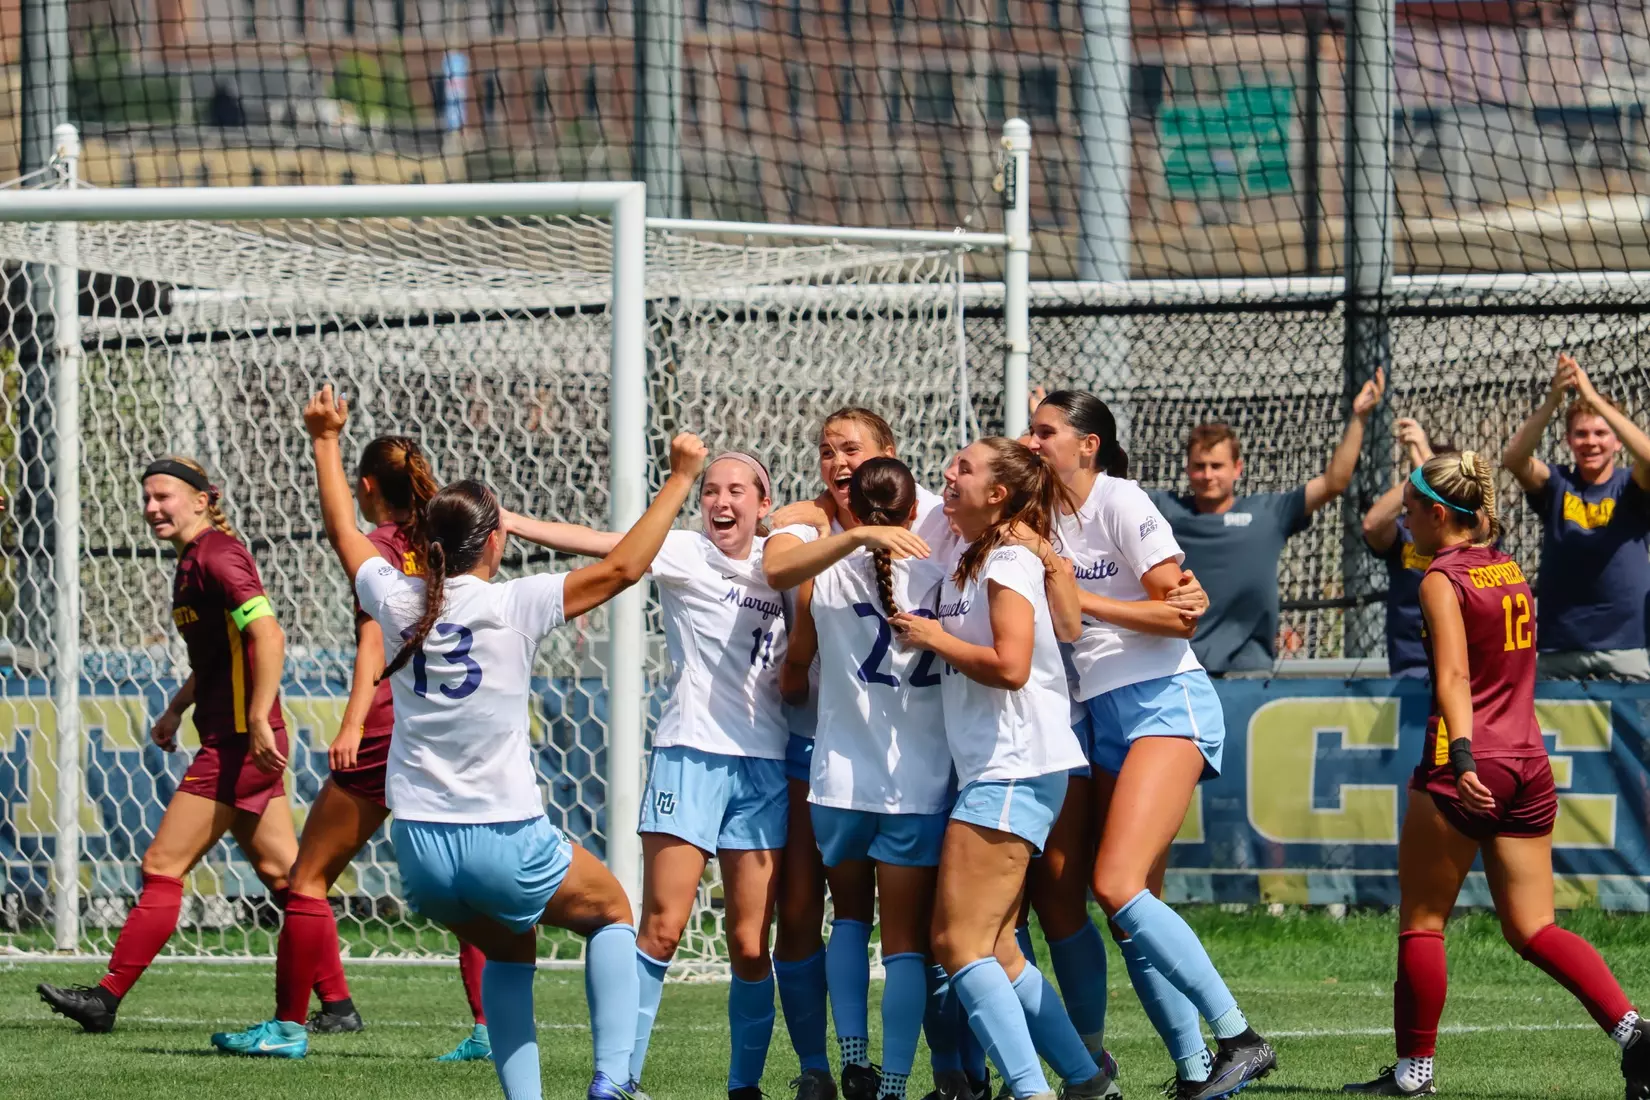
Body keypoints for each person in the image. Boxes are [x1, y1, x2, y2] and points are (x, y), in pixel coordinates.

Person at [304, 384, 705, 1100]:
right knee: (612, 910)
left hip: (422, 851)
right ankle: (613, 1080)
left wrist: (325, 440)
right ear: (496, 541)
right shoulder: (514, 603)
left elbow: (344, 532)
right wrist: (678, 480)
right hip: (502, 836)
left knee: (512, 947)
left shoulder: (398, 598)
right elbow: (623, 569)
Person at [1345, 451, 1650, 1097]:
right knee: (1535, 927)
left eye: (1410, 507)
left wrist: (1459, 755)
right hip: (1528, 762)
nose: (1405, 519)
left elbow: (1454, 677)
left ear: (1435, 513)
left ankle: (1413, 1073)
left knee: (1423, 923)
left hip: (1470, 760)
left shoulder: (1439, 578)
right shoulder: (1506, 566)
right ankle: (1635, 1034)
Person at [506, 452, 793, 1100]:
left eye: (737, 490)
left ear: (763, 503)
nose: (722, 501)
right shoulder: (686, 553)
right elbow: (611, 546)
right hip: (689, 754)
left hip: (766, 767)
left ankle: (744, 1086)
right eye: (712, 490)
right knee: (663, 924)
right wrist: (514, 523)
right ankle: (616, 1076)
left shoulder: (783, 563)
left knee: (751, 944)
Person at [207, 433, 492, 1060]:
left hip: (387, 726)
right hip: (445, 729)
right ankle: (487, 1028)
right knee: (469, 889)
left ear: (368, 487)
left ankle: (286, 1028)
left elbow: (371, 641)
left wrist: (353, 722)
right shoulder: (441, 543)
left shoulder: (381, 549)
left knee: (308, 880)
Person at [1028, 391, 1274, 1100]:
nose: (1033, 439)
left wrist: (1078, 597)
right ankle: (1197, 1073)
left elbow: (1179, 615)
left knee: (1115, 883)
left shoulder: (1120, 500)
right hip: (1106, 719)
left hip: (1167, 704)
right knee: (1130, 915)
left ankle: (1240, 1038)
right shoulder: (1042, 516)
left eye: (1047, 431)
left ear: (1087, 446)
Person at [38, 458, 297, 1033]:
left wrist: (256, 717)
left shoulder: (218, 555)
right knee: (287, 878)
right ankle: (339, 1004)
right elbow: (220, 652)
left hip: (236, 742)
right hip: (233, 734)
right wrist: (178, 707)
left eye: (165, 496)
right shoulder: (190, 560)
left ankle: (104, 999)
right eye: (148, 497)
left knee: (162, 864)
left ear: (204, 499)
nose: (153, 507)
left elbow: (268, 633)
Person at [890, 437, 1105, 1100]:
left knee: (957, 945)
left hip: (1014, 767)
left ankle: (1029, 1090)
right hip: (1004, 767)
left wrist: (934, 637)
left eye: (964, 468)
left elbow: (1012, 668)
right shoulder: (975, 551)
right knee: (1000, 949)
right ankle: (1086, 1081)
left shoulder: (1008, 557)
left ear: (1000, 493)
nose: (948, 476)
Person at [764, 407, 952, 1100]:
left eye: (849, 449)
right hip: (917, 779)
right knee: (905, 938)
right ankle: (898, 1083)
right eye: (825, 450)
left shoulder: (827, 556)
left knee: (848, 918)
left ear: (887, 455)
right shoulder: (941, 540)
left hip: (841, 777)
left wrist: (829, 524)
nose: (836, 460)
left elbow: (780, 565)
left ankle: (852, 1057)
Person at [1147, 368, 1386, 673]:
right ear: (1187, 468)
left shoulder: (1269, 512)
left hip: (1248, 667)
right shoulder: (1161, 509)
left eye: (1217, 466)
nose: (1207, 475)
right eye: (1199, 466)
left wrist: (1359, 418)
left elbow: (1333, 483)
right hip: (1177, 663)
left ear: (1238, 468)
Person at [1501, 352, 1650, 681]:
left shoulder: (1631, 484)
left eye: (1601, 433)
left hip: (1626, 645)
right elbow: (1513, 459)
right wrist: (1554, 399)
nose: (1591, 442)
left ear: (1616, 440)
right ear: (1568, 440)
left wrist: (1592, 397)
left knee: (1639, 732)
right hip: (1560, 644)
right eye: (1581, 434)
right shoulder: (1558, 483)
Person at [1363, 418, 1450, 679]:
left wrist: (1436, 476)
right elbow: (1372, 525)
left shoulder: (1470, 528)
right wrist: (1418, 478)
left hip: (1463, 667)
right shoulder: (1405, 530)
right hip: (1411, 666)